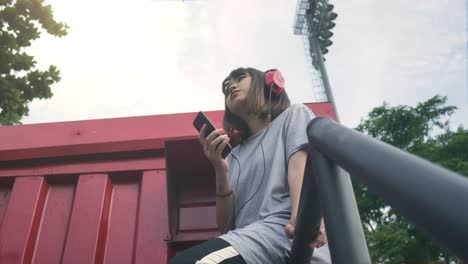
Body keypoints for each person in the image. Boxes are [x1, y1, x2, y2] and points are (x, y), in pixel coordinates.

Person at [170, 67, 329, 264]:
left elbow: (300, 169)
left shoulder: (293, 115)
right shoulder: (233, 155)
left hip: (285, 236)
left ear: (270, 83)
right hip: (249, 247)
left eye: (239, 78)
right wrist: (220, 168)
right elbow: (226, 226)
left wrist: (302, 222)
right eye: (227, 86)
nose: (231, 86)